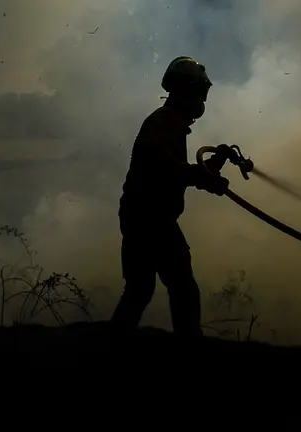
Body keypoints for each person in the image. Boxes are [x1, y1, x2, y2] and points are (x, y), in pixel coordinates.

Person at [111, 56, 236, 337]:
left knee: (140, 290)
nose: (201, 100)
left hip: (142, 215)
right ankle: (188, 346)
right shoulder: (164, 121)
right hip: (150, 219)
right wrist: (203, 176)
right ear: (183, 90)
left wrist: (215, 164)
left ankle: (114, 344)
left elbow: (179, 172)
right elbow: (163, 165)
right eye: (198, 92)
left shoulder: (172, 122)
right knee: (182, 287)